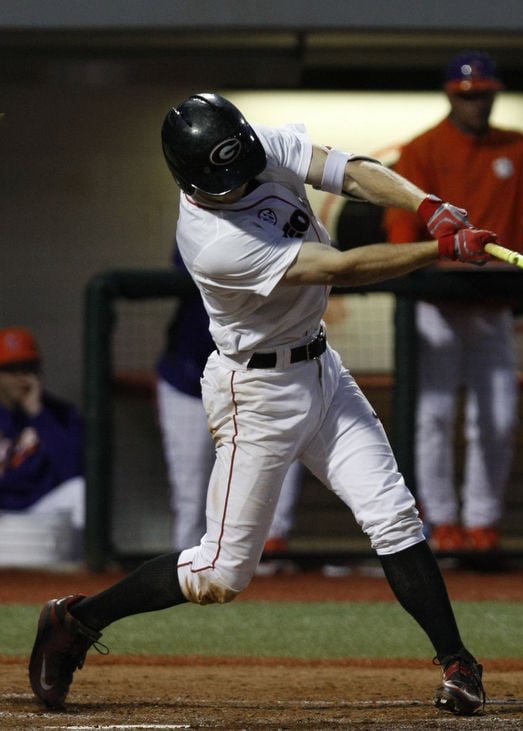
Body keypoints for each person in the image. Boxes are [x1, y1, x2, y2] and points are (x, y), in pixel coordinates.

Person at [29, 92, 496, 716]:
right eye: (227, 178)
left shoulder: (252, 143)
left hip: (321, 368)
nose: (244, 178)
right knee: (220, 576)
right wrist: (438, 252)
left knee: (393, 514)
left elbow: (348, 170)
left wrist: (428, 206)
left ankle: (459, 663)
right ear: (193, 180)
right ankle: (76, 621)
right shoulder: (213, 242)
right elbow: (341, 266)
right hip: (257, 393)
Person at [383, 50, 523, 555]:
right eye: (468, 96)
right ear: (451, 96)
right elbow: (400, 224)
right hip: (437, 303)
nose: (477, 104)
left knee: (499, 417)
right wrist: (405, 264)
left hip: (492, 301)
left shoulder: (518, 147)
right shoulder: (422, 149)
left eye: (484, 94)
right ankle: (441, 521)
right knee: (433, 417)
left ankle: (483, 523)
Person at [156, 248, 304, 567]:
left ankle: (269, 580)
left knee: (273, 486)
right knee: (192, 499)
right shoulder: (201, 218)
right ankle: (185, 578)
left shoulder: (285, 219)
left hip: (263, 379)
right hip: (190, 378)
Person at [0, 327, 85, 548]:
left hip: (42, 516)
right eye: (11, 369)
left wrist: (38, 414)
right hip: (3, 517)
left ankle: (85, 574)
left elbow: (73, 471)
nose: (21, 378)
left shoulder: (61, 414)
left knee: (81, 491)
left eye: (28, 368)